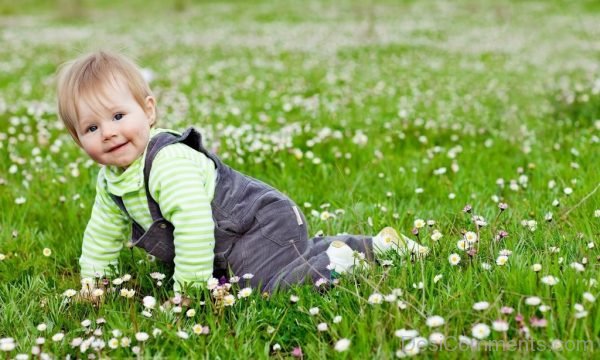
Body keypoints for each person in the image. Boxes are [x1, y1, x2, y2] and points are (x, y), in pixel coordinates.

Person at [56, 50, 429, 294]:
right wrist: (94, 282)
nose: (108, 132)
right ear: (78, 139)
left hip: (257, 224)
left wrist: (188, 291)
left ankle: (339, 264)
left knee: (271, 285)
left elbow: (195, 225)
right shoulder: (111, 182)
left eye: (119, 116)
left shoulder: (166, 164)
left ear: (148, 112)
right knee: (260, 273)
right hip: (229, 244)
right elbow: (102, 233)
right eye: (91, 128)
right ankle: (375, 246)